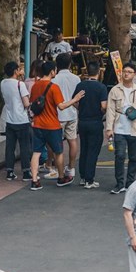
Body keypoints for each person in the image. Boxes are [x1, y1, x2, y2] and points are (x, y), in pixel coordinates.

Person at [30, 60, 84, 191]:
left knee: (36, 152)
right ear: (52, 72)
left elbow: (33, 102)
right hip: (52, 125)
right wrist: (75, 99)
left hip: (37, 124)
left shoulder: (35, 85)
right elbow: (61, 106)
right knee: (58, 152)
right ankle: (61, 177)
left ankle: (35, 180)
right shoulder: (54, 87)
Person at [105, 62, 136, 194]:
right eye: (124, 71)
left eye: (129, 72)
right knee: (119, 155)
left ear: (134, 74)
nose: (126, 74)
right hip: (119, 128)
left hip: (135, 128)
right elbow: (110, 110)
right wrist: (109, 128)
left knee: (133, 157)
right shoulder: (115, 90)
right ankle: (119, 183)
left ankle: (130, 182)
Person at [74, 61, 108, 188]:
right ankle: (89, 179)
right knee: (93, 151)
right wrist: (102, 112)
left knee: (84, 149)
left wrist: (81, 109)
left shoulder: (80, 85)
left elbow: (75, 102)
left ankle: (83, 177)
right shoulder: (101, 87)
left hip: (82, 121)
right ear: (98, 72)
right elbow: (103, 106)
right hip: (95, 121)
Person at [1, 60, 32, 183]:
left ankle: (9, 171)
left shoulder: (3, 83)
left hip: (9, 119)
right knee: (24, 147)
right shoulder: (20, 84)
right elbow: (26, 103)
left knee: (10, 147)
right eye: (19, 69)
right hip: (21, 120)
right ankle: (26, 172)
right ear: (15, 71)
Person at [54, 53, 82, 181]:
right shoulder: (76, 78)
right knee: (72, 140)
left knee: (57, 144)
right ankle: (71, 167)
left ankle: (58, 169)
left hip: (58, 114)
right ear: (70, 64)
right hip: (72, 112)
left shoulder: (54, 79)